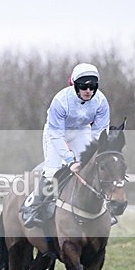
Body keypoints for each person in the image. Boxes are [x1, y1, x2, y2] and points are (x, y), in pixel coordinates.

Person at [20, 63, 110, 228]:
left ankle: (103, 207)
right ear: (75, 86)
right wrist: (70, 160)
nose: (88, 90)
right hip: (56, 133)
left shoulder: (101, 101)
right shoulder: (61, 101)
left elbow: (100, 133)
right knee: (53, 169)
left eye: (92, 86)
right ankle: (33, 206)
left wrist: (93, 154)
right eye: (84, 86)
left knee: (92, 166)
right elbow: (56, 135)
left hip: (81, 130)